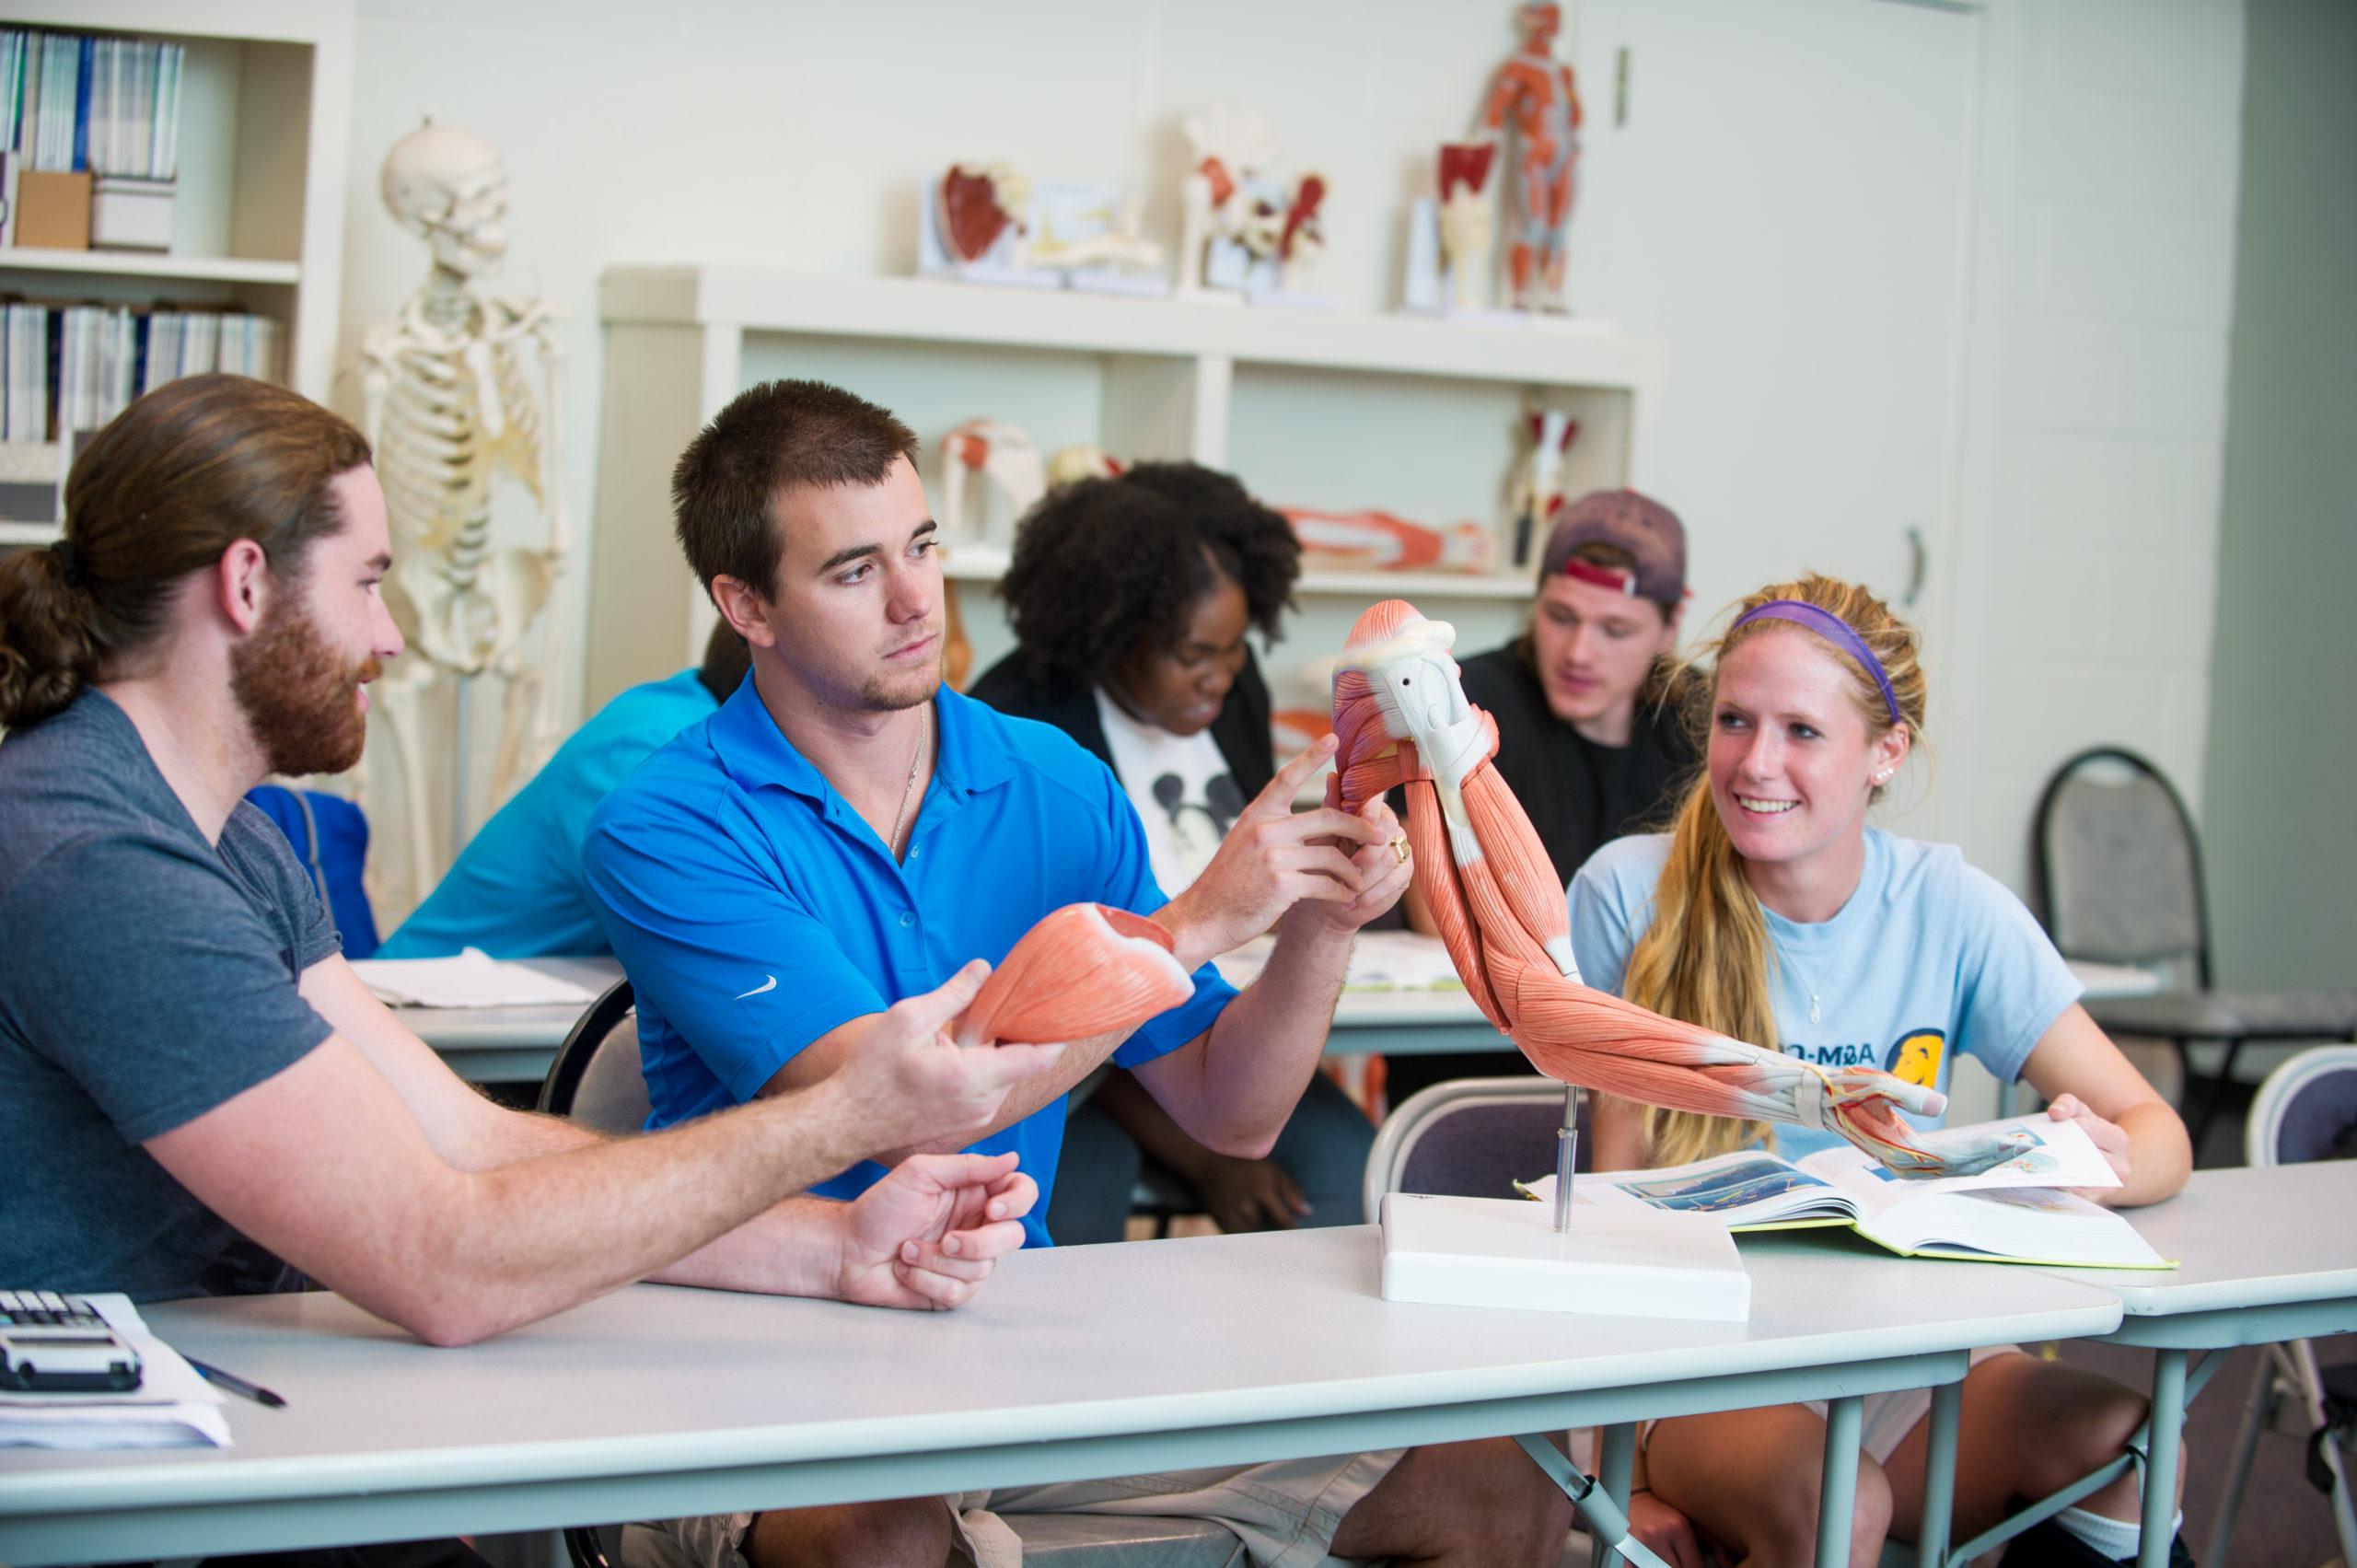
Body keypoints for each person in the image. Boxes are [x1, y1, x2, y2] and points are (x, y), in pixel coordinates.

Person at [583, 378, 1576, 1568]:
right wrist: (1199, 924)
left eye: (923, 546)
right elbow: (907, 1114)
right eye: (853, 572)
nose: (915, 603)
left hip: (1005, 1340)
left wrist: (1320, 913)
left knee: (1493, 1483)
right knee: (885, 1535)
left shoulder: (1051, 781)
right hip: (761, 1356)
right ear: (745, 602)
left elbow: (1232, 1109)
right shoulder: (668, 823)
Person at [0, 378, 1061, 1380]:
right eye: (367, 582)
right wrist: (844, 1118)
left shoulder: (229, 838)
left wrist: (833, 1242)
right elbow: (441, 1258)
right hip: (124, 1466)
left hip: (241, 1391)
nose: (389, 634)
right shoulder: (99, 862)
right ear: (244, 585)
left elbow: (470, 1140)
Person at [1569, 573, 2195, 1568]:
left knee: (2122, 1442)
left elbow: (2157, 1130)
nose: (1754, 762)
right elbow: (1608, 1208)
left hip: (1900, 1349)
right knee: (1836, 1506)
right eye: (1734, 719)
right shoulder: (1627, 891)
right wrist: (1612, 1477)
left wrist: (2091, 1161)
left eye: (1802, 731)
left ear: (1885, 752)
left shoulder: (1950, 902)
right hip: (1699, 1364)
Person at [970, 460, 1375, 1243]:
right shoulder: (1025, 731)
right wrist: (1201, 1153)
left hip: (1222, 1023)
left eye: (1234, 648)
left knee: (1343, 1165)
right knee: (1070, 1200)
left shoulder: (1231, 688)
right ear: (1114, 636)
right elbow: (1044, 1006)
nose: (1220, 676)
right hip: (1087, 1074)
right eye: (1195, 653)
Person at [1387, 486, 1693, 1109]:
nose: (1579, 652)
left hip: (1646, 1067)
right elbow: (1434, 911)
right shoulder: (1457, 700)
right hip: (1473, 1069)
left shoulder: (1704, 723)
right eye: (1560, 617)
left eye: (1615, 629)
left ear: (1671, 626)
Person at [378, 621, 751, 958]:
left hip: (531, 1006)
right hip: (424, 1004)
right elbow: (717, 930)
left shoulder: (697, 723)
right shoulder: (656, 746)